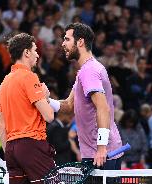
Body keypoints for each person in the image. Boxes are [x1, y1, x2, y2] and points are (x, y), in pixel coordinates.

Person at [48, 23, 123, 169]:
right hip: (98, 153)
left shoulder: (89, 71)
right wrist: (44, 100)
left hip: (100, 155)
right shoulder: (85, 70)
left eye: (67, 39)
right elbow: (69, 106)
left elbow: (103, 109)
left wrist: (101, 147)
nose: (63, 44)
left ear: (80, 42)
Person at [0, 33, 55, 184]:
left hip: (11, 150)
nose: (37, 54)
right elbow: (49, 116)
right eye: (35, 50)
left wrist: (10, 151)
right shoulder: (29, 77)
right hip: (32, 145)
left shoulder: (5, 82)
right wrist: (46, 97)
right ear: (26, 52)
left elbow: (0, 126)